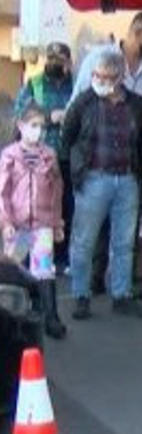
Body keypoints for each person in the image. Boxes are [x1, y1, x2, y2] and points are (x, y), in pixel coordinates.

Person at [75, 12, 142, 296]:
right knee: (95, 221)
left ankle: (122, 284)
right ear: (137, 33)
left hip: (139, 157)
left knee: (128, 220)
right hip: (98, 158)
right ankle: (94, 278)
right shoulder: (99, 59)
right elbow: (78, 103)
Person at [59, 49, 142, 320]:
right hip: (92, 178)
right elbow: (68, 139)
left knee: (124, 242)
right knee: (83, 241)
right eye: (97, 75)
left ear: (120, 77)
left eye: (107, 76)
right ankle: (81, 295)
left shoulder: (136, 105)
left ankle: (121, 294)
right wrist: (77, 173)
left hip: (126, 178)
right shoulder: (84, 103)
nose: (101, 81)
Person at [0, 104, 66, 339]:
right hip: (17, 225)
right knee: (13, 269)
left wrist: (57, 223)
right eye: (33, 126)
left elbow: (57, 190)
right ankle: (11, 317)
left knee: (44, 270)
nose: (38, 132)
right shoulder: (10, 155)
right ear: (21, 126)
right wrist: (5, 221)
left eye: (42, 127)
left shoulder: (49, 155)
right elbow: (3, 192)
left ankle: (50, 317)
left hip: (42, 223)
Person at [14, 42, 75, 268]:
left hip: (67, 157)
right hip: (39, 157)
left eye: (60, 60)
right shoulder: (35, 83)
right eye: (52, 60)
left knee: (66, 208)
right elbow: (22, 112)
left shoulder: (75, 83)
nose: (56, 64)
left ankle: (62, 257)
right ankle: (35, 258)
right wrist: (50, 117)